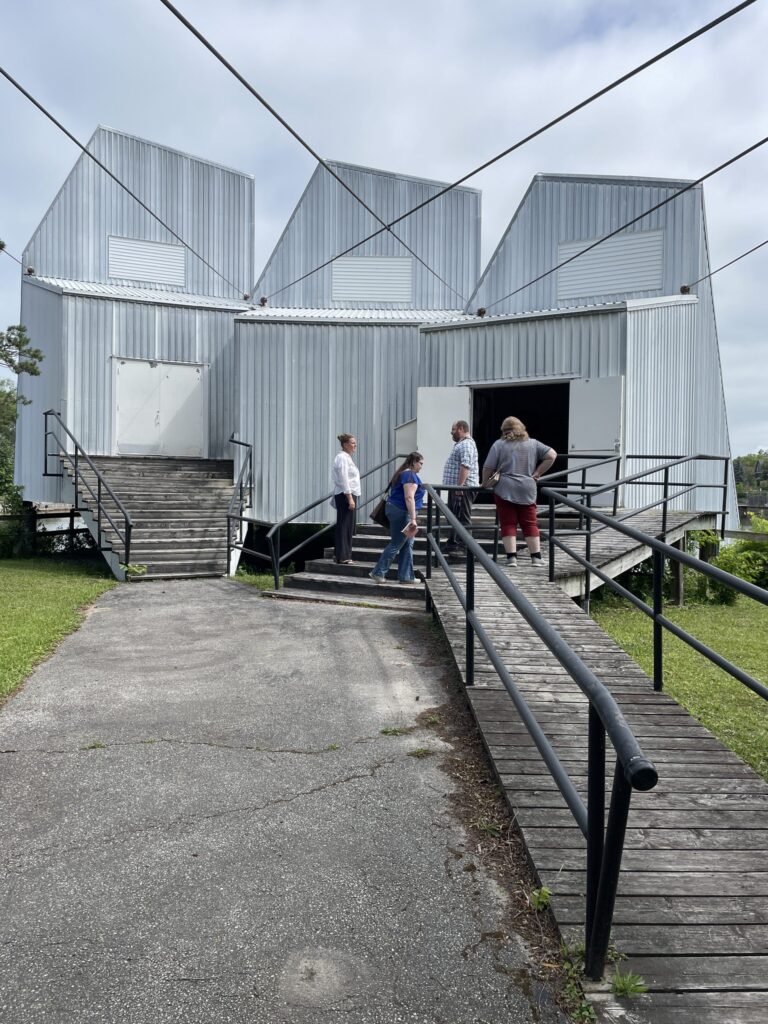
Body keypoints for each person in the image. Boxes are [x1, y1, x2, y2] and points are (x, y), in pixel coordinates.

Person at [481, 417, 556, 568]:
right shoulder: (533, 443)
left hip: (504, 488)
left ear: (504, 431)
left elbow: (488, 466)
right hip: (527, 488)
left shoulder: (499, 444)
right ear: (521, 429)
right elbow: (552, 455)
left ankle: (511, 558)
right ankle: (536, 558)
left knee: (508, 522)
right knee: (529, 522)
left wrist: (484, 482)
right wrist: (537, 473)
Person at [369, 452, 425, 584]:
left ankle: (406, 576)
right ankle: (378, 572)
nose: (421, 467)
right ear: (413, 462)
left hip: (397, 510)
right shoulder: (410, 475)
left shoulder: (404, 473)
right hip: (403, 512)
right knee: (397, 543)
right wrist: (413, 518)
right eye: (420, 463)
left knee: (407, 544)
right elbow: (409, 497)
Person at [442, 419, 479, 558]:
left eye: (453, 429)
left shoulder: (466, 445)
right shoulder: (462, 444)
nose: (451, 432)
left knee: (462, 516)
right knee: (454, 515)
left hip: (464, 488)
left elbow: (466, 466)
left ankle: (465, 547)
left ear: (461, 429)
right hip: (459, 487)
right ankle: (452, 543)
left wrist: (460, 486)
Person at [331, 433, 361, 564]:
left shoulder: (346, 458)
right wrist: (350, 498)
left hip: (347, 494)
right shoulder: (342, 458)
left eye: (355, 443)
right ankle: (343, 556)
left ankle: (339, 554)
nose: (355, 445)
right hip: (346, 494)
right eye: (352, 443)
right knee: (345, 525)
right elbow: (344, 478)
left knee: (346, 525)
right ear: (345, 445)